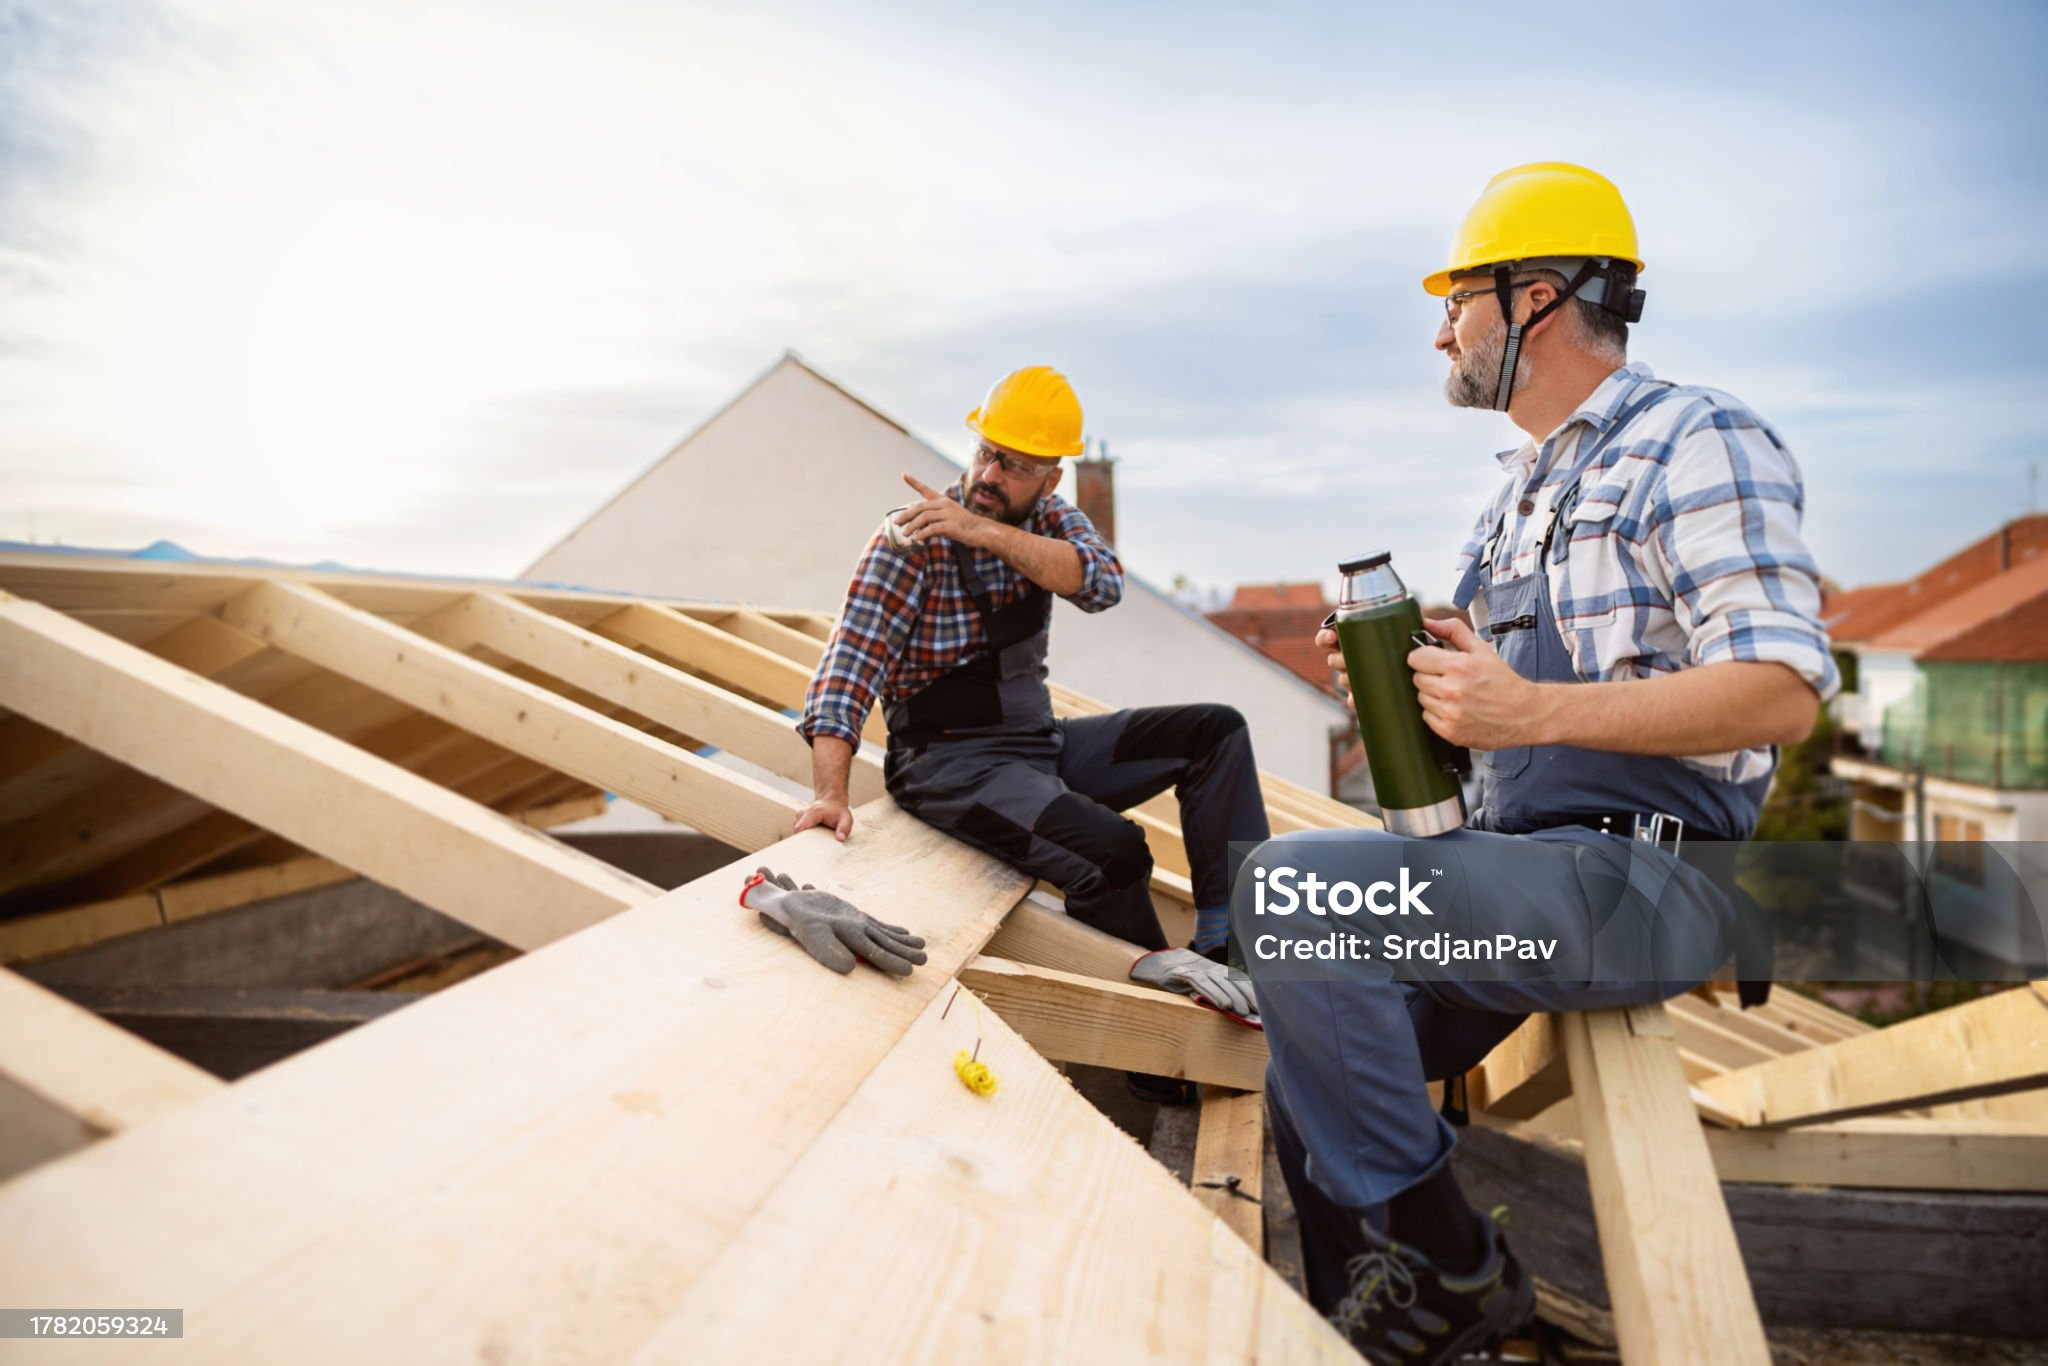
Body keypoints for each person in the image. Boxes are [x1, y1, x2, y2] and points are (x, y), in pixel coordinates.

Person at [1249, 163, 1838, 1361]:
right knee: (1296, 1055)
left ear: (1532, 299)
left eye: (1455, 302)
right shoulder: (1519, 493)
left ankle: (1455, 1265)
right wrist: (1413, 681)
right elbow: (1499, 719)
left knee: (1294, 893)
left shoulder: (1693, 438)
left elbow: (1780, 691)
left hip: (1644, 882)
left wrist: (1525, 707)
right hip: (1521, 869)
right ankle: (1374, 1318)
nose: (1438, 330)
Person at [796, 365, 1268, 1024]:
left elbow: (1101, 585)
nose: (990, 475)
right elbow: (849, 666)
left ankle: (1230, 948)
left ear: (1050, 479)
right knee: (1113, 853)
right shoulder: (909, 541)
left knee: (1214, 732)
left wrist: (985, 533)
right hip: (951, 767)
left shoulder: (1047, 518)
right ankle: (1162, 1032)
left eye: (1015, 466)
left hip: (1035, 746)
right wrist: (829, 793)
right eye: (987, 453)